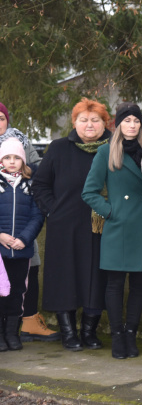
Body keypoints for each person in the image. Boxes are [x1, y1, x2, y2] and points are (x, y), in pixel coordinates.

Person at [33, 98, 113, 351]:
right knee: (65, 278)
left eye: (95, 120)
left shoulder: (115, 148)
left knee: (96, 278)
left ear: (105, 123)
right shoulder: (58, 148)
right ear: (75, 122)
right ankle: (68, 333)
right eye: (83, 120)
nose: (89, 125)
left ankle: (89, 332)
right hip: (64, 226)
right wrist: (53, 210)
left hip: (102, 226)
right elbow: (40, 184)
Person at [82, 103, 142, 359]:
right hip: (119, 227)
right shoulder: (106, 152)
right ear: (118, 123)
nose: (132, 125)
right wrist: (112, 212)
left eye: (136, 121)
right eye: (127, 120)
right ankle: (116, 336)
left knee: (138, 285)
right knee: (114, 285)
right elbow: (89, 192)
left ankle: (131, 335)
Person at [0, 102, 58, 343]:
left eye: (1, 118)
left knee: (23, 279)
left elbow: (39, 167)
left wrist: (25, 170)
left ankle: (27, 322)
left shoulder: (20, 141)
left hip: (23, 229)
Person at [0, 138, 44, 352]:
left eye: (16, 158)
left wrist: (24, 239)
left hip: (21, 249)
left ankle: (11, 333)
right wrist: (1, 236)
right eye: (7, 157)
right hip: (0, 250)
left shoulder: (30, 186)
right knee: (1, 292)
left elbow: (37, 216)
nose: (12, 161)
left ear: (23, 161)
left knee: (18, 291)